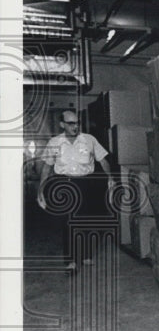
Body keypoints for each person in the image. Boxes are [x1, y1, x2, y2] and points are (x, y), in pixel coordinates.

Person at [37, 110, 113, 271]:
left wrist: (111, 178)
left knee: (91, 221)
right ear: (62, 124)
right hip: (64, 183)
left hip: (87, 183)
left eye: (77, 122)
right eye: (70, 123)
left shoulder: (89, 140)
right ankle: (70, 260)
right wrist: (40, 191)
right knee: (69, 221)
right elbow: (46, 168)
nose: (75, 126)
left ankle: (86, 254)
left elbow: (103, 160)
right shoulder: (54, 142)